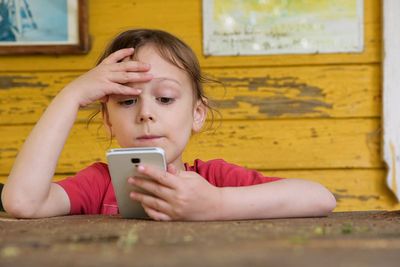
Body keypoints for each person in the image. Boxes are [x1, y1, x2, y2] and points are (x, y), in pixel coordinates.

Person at [1, 29, 336, 220]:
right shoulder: (99, 184)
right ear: (107, 120)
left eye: (165, 98)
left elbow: (320, 198)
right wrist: (71, 95)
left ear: (197, 115)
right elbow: (22, 203)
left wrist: (215, 204)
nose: (145, 113)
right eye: (127, 101)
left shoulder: (213, 180)